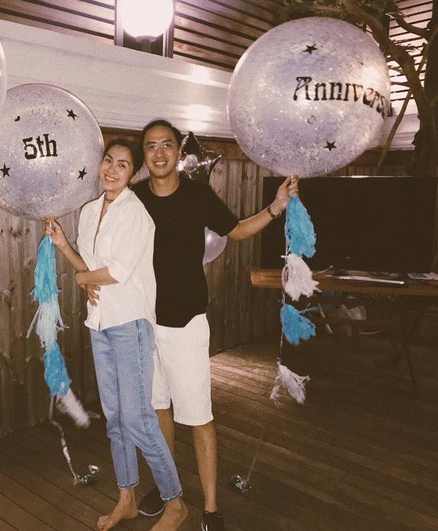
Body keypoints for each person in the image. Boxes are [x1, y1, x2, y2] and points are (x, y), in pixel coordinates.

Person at [131, 119, 298, 531]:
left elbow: (237, 231)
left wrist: (276, 208)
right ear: (144, 155)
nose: (159, 153)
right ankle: (169, 491)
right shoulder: (132, 199)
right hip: (143, 322)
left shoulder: (196, 195)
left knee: (198, 416)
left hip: (186, 322)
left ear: (177, 152)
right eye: (151, 146)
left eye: (166, 144)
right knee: (158, 410)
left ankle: (209, 507)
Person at [46, 138, 188, 531]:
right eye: (108, 160)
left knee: (139, 419)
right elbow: (90, 267)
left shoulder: (136, 213)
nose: (112, 169)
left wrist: (82, 279)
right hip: (100, 323)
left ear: (133, 172)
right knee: (115, 419)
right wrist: (64, 245)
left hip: (130, 324)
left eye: (122, 164)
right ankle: (127, 499)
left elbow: (118, 272)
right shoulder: (90, 210)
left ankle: (176, 504)